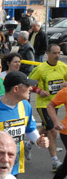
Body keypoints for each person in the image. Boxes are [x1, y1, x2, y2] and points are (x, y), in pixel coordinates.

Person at [28, 43, 67, 171]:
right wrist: (39, 91)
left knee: (45, 129)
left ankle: (29, 144)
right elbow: (29, 84)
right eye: (54, 53)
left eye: (59, 53)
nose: (57, 56)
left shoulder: (63, 67)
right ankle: (55, 161)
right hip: (43, 104)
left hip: (56, 103)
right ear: (48, 54)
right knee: (52, 130)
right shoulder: (40, 69)